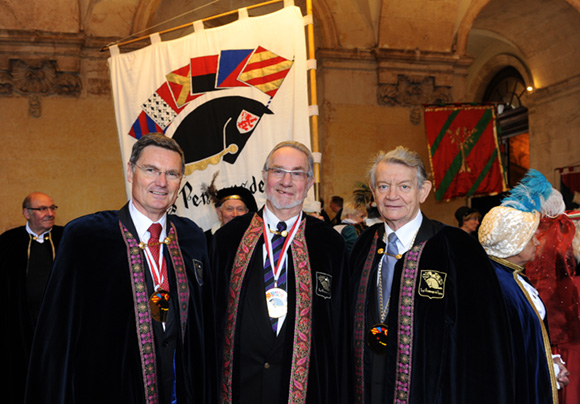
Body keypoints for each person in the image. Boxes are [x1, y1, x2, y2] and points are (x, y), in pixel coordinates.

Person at [25, 133, 217, 404]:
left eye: (171, 174)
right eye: (150, 170)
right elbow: (57, 335)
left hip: (179, 389)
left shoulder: (191, 238)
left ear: (180, 182)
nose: (161, 182)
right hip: (110, 389)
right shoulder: (87, 238)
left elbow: (203, 327)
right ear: (130, 171)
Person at [350, 146, 515, 403]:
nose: (392, 195)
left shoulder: (457, 249)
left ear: (423, 191)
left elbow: (484, 345)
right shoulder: (363, 247)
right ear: (373, 193)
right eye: (383, 186)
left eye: (404, 186)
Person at [211, 140, 350, 404]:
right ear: (264, 176)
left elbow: (338, 328)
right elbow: (212, 318)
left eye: (297, 173)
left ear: (309, 183)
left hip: (306, 390)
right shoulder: (228, 239)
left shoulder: (330, 245)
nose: (286, 181)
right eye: (278, 171)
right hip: (238, 387)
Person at [479, 169, 571, 403]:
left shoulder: (514, 277)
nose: (537, 240)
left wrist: (550, 362)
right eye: (530, 236)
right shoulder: (498, 286)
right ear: (513, 242)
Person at [1, 192, 63, 404]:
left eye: (52, 208)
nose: (50, 213)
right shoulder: (9, 242)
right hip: (24, 325)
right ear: (26, 213)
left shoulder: (66, 238)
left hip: (61, 324)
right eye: (42, 209)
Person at [204, 174, 258, 246]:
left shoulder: (258, 237)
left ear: (247, 213)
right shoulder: (206, 241)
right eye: (229, 209)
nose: (235, 214)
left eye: (240, 209)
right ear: (220, 213)